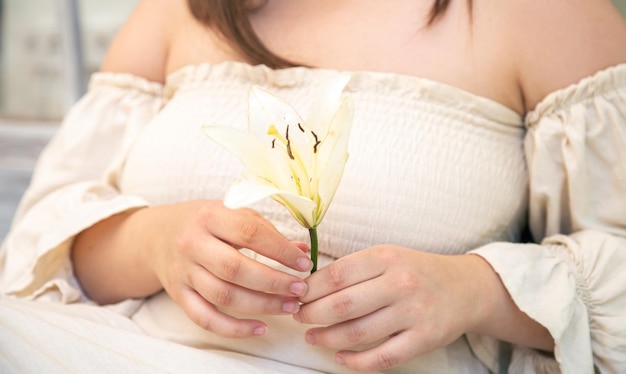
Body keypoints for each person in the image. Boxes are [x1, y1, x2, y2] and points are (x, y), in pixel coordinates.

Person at [1, 0, 625, 372]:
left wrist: (478, 291)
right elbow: (36, 252)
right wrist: (153, 243)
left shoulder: (547, 17)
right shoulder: (175, 12)